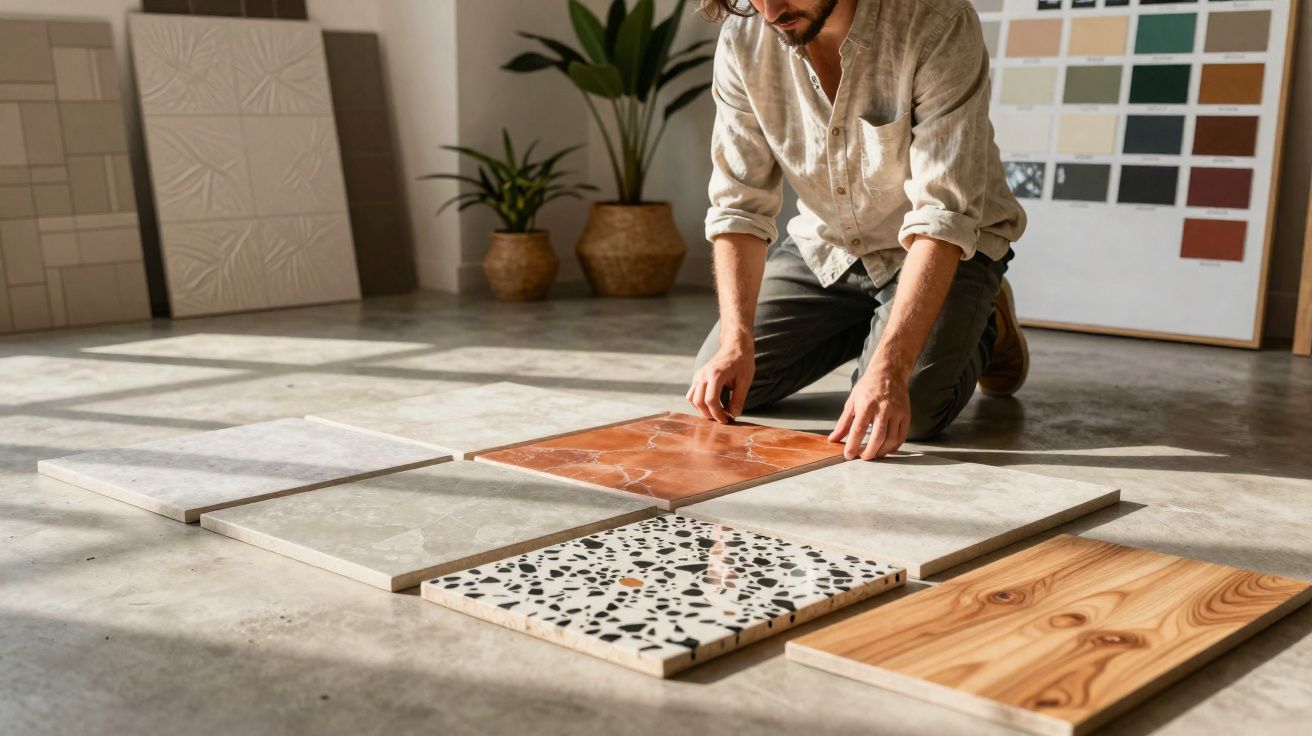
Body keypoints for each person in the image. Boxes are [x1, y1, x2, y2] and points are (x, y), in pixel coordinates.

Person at [687, 0, 1029, 461]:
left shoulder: (938, 21)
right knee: (728, 384)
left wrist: (889, 369)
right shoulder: (743, 37)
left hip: (945, 249)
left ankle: (985, 314)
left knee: (917, 414)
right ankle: (876, 321)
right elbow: (738, 204)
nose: (769, 10)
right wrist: (735, 341)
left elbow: (943, 213)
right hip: (828, 247)